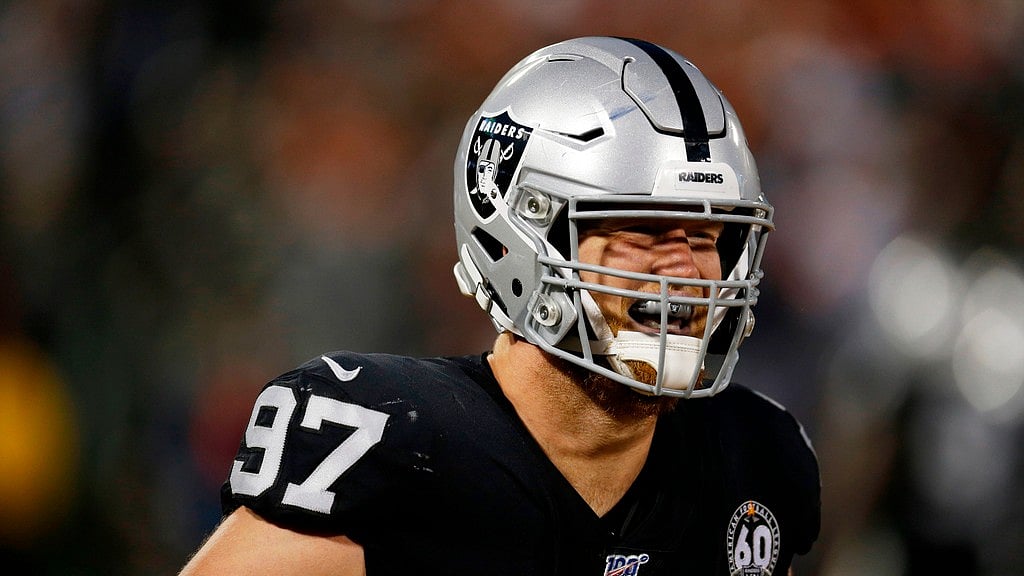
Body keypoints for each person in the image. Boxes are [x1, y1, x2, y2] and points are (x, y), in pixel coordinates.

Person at [179, 36, 820, 576]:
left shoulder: (750, 456)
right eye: (641, 231)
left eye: (706, 237)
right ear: (524, 235)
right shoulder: (390, 442)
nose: (684, 271)